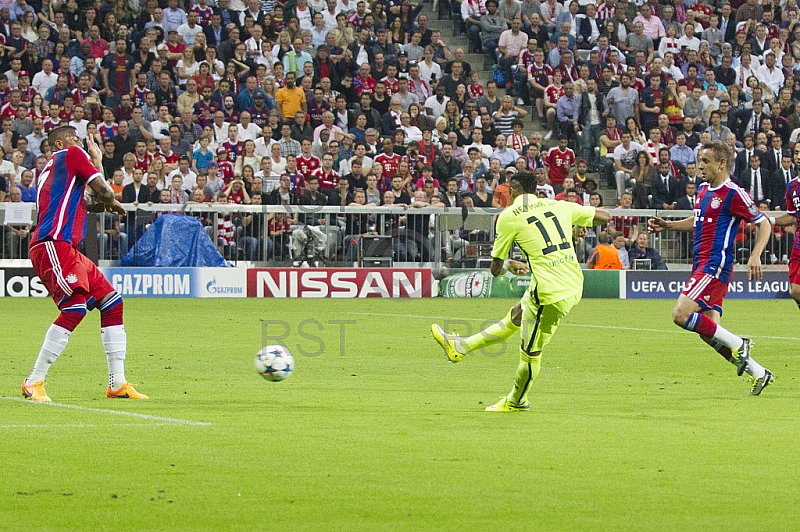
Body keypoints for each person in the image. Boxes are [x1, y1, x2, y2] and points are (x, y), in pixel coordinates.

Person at [431, 171, 612, 412]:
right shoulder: (559, 205)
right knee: (516, 316)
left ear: (512, 191)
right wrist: (574, 222)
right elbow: (604, 216)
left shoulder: (508, 216)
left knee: (530, 352)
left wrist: (508, 264)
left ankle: (517, 400)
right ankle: (460, 347)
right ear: (537, 191)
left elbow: (495, 269)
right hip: (570, 280)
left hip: (550, 292)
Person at [22, 126, 147, 402]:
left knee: (112, 302)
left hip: (67, 248)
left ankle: (117, 383)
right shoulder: (71, 153)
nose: (82, 142)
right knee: (74, 307)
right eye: (76, 137)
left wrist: (99, 172)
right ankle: (34, 381)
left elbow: (90, 203)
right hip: (52, 243)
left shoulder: (57, 170)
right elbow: (103, 192)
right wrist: (111, 197)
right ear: (59, 142)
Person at [649, 140, 774, 395]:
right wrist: (669, 226)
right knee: (708, 332)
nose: (699, 166)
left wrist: (755, 255)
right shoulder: (704, 190)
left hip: (715, 265)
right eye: (699, 160)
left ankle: (740, 342)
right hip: (702, 264)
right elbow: (698, 220)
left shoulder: (733, 193)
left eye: (705, 161)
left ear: (722, 163)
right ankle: (758, 372)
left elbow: (765, 224)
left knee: (680, 315)